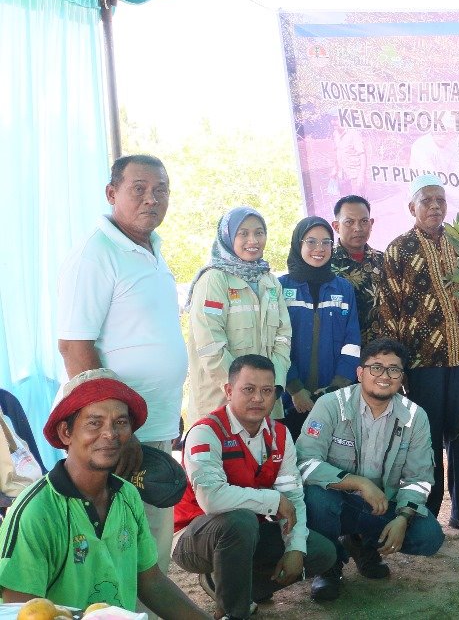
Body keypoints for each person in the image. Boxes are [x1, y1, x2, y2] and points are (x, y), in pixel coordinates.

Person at [55, 154, 187, 571]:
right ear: (112, 193)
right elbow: (75, 349)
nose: (152, 199)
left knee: (150, 550)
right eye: (139, 189)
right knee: (118, 554)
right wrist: (117, 427)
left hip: (154, 428)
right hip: (117, 438)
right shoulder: (96, 254)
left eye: (161, 190)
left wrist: (169, 411)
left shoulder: (154, 250)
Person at [0, 370, 211, 618]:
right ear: (66, 432)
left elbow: (151, 582)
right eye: (94, 422)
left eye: (121, 422)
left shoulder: (128, 496)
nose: (110, 434)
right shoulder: (36, 510)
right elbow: (18, 610)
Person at [173, 355, 338, 619]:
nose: (258, 399)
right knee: (240, 521)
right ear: (229, 391)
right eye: (248, 389)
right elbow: (211, 500)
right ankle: (233, 612)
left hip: (248, 533)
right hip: (193, 537)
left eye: (267, 391)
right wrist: (271, 501)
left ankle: (229, 586)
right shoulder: (205, 432)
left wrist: (295, 547)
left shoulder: (280, 435)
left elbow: (293, 495)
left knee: (320, 552)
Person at [375, 174, 459, 531]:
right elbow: (389, 309)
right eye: (427, 201)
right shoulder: (399, 249)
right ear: (412, 207)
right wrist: (398, 367)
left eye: (440, 200)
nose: (435, 207)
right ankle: (428, 515)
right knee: (427, 441)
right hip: (423, 365)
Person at [297, 338, 443, 593]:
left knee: (428, 536)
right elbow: (304, 463)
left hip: (382, 506)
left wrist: (403, 517)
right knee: (317, 497)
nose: (384, 376)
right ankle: (329, 567)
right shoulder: (331, 405)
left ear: (402, 377)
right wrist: (359, 483)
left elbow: (419, 477)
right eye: (376, 367)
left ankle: (363, 547)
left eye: (394, 369)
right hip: (338, 502)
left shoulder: (415, 416)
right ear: (360, 372)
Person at [186, 207, 291, 421]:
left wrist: (272, 386)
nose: (252, 240)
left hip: (265, 405)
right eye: (243, 233)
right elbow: (210, 345)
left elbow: (283, 337)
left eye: (259, 232)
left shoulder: (270, 282)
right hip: (222, 403)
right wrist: (244, 392)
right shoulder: (214, 280)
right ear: (228, 236)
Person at [278, 216, 361, 439]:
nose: (319, 248)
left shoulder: (343, 288)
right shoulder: (280, 287)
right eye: (311, 241)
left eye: (326, 242)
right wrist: (294, 389)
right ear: (298, 244)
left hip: (335, 397)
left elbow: (352, 343)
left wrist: (337, 387)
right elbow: (276, 344)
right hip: (290, 400)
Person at [329, 195, 384, 341]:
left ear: (371, 223)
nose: (358, 228)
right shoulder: (326, 264)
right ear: (336, 226)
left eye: (364, 221)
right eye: (349, 222)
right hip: (342, 350)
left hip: (382, 352)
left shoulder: (384, 260)